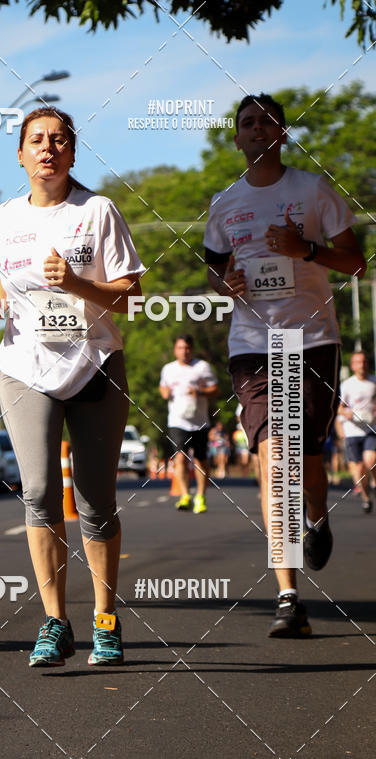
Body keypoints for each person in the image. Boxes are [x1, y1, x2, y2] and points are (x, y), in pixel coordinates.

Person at [0, 107, 145, 667]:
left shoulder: (97, 211)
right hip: (25, 367)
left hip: (94, 365)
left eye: (58, 140)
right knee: (39, 490)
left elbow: (132, 297)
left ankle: (105, 620)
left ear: (72, 153)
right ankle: (55, 623)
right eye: (36, 140)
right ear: (20, 155)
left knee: (96, 501)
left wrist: (76, 283)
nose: (47, 149)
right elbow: (0, 281)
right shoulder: (3, 217)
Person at [204, 92, 366, 638]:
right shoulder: (224, 202)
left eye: (267, 121)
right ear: (236, 137)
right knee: (276, 463)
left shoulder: (313, 190)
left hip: (311, 339)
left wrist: (307, 251)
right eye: (247, 122)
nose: (257, 129)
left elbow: (357, 262)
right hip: (252, 345)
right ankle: (288, 596)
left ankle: (317, 517)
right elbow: (213, 269)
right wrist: (224, 284)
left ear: (281, 133)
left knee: (308, 461)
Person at [159, 335, 219, 512]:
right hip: (177, 421)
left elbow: (215, 389)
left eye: (187, 348)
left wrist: (200, 392)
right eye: (180, 348)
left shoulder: (202, 367)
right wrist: (164, 391)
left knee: (201, 459)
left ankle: (200, 496)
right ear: (175, 350)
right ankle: (185, 495)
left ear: (192, 349)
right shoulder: (168, 369)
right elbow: (163, 386)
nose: (184, 351)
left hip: (199, 422)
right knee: (180, 458)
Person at [338, 350, 376, 512]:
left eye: (365, 361)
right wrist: (346, 413)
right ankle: (367, 499)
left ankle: (374, 483)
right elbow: (339, 408)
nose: (362, 365)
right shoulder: (347, 385)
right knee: (359, 470)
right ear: (353, 365)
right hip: (352, 431)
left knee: (370, 460)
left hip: (370, 429)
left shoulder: (374, 382)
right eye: (359, 362)